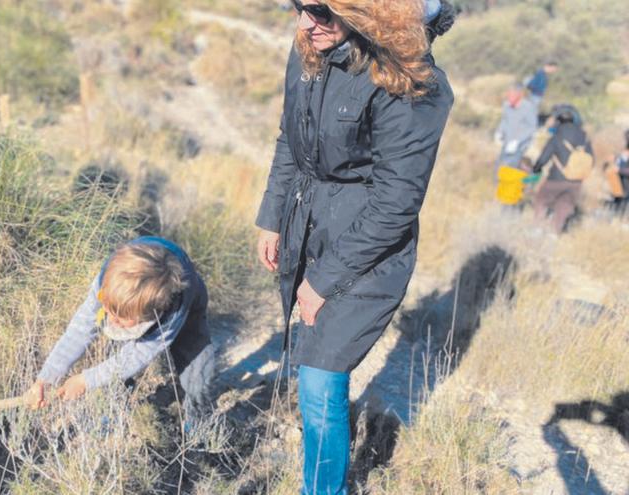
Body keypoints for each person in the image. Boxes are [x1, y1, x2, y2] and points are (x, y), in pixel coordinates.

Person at [255, 0, 453, 492]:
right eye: (300, 7)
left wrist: (323, 280)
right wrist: (272, 217)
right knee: (312, 369)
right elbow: (289, 138)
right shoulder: (310, 48)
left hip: (369, 248)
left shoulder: (411, 82)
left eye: (321, 11)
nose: (306, 23)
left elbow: (395, 204)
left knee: (321, 378)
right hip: (309, 222)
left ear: (367, 12)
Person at [25, 237, 215, 423]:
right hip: (132, 298)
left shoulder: (173, 310)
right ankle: (116, 403)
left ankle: (198, 423)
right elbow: (79, 331)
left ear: (152, 317)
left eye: (122, 319)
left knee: (197, 371)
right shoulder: (109, 283)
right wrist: (45, 379)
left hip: (189, 297)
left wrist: (86, 380)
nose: (112, 321)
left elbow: (138, 354)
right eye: (109, 310)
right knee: (114, 353)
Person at [532, 108, 594, 233]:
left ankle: (537, 229)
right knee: (564, 206)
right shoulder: (585, 138)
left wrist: (536, 169)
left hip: (556, 178)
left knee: (542, 200)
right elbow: (592, 160)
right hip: (576, 181)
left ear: (559, 122)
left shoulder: (557, 136)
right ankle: (555, 232)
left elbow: (544, 157)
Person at [495, 84, 539, 171]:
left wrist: (517, 141)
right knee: (500, 165)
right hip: (507, 141)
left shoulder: (528, 108)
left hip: (522, 145)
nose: (509, 98)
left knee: (511, 167)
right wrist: (499, 132)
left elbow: (532, 128)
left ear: (519, 95)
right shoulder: (506, 105)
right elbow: (504, 120)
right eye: (508, 95)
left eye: (512, 96)